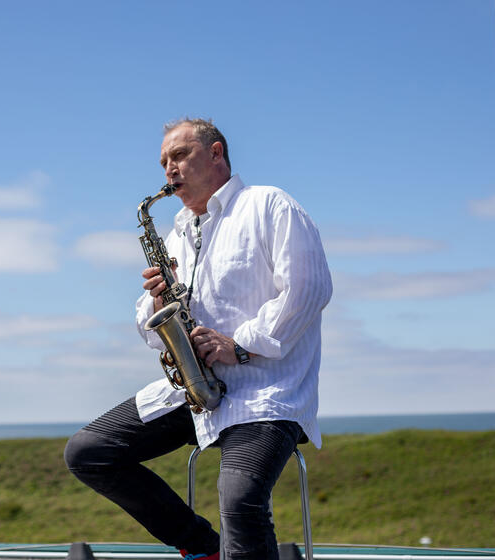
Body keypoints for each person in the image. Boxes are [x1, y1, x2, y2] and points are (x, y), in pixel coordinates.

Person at [64, 118, 332, 560]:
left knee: (239, 499)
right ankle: (204, 548)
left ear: (216, 153)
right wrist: (157, 301)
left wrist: (238, 345)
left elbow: (308, 289)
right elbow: (151, 327)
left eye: (180, 155)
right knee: (88, 452)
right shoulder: (178, 232)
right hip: (196, 391)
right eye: (163, 162)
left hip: (263, 394)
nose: (169, 169)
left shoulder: (269, 205)